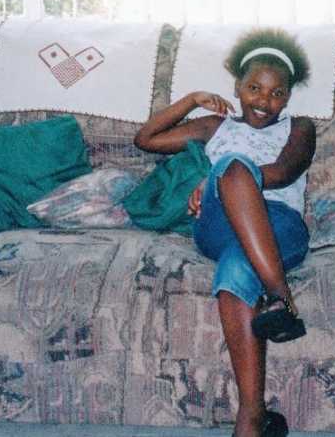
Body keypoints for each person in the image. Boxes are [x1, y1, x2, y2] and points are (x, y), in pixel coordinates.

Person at [133, 28, 315, 437]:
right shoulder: (215, 126)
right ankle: (281, 298)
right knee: (232, 164)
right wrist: (193, 100)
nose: (263, 101)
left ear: (286, 97)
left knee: (234, 273)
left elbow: (285, 172)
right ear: (237, 88)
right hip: (217, 224)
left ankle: (252, 418)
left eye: (275, 93)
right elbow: (145, 139)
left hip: (281, 225)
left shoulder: (301, 127)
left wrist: (231, 176)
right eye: (253, 88)